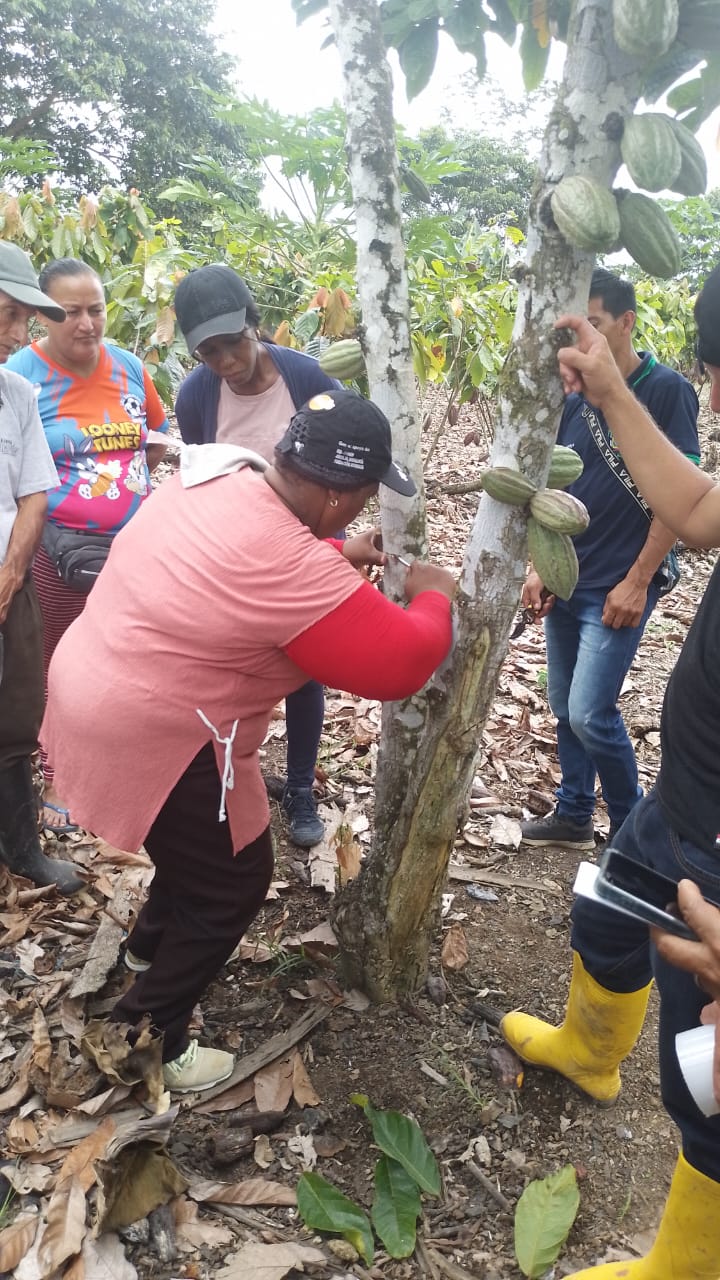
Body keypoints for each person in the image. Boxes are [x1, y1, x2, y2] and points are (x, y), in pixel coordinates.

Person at [42, 389, 456, 1092]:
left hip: (93, 678)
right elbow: (402, 663)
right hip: (157, 729)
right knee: (232, 882)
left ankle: (145, 951)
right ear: (337, 494)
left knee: (194, 852)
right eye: (362, 497)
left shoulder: (221, 479)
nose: (360, 510)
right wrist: (435, 594)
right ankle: (145, 1036)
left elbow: (250, 560)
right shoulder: (290, 564)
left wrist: (338, 550)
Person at [502, 264, 720, 1278]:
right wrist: (610, 388)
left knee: (706, 1074)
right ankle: (590, 1055)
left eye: (717, 375)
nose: (709, 393)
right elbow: (702, 507)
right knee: (601, 914)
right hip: (682, 802)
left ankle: (686, 1263)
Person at [520, 268, 700, 852]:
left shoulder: (666, 390)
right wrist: (542, 565)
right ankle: (574, 813)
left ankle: (629, 831)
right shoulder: (574, 391)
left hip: (620, 582)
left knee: (589, 713)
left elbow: (682, 497)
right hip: (571, 571)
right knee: (563, 704)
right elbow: (556, 483)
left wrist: (639, 580)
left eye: (593, 323)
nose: (584, 338)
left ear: (625, 323)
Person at [173, 264, 341, 849]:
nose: (225, 361)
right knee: (229, 671)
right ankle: (230, 777)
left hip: (304, 548)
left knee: (303, 671)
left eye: (233, 343)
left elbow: (342, 456)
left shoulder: (305, 378)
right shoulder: (196, 396)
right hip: (232, 555)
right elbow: (200, 474)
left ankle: (299, 788)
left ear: (254, 324)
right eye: (209, 352)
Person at [7, 258, 170, 833]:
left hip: (133, 548)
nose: (86, 323)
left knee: (128, 656)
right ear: (43, 316)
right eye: (69, 312)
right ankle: (59, 775)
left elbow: (153, 437)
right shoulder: (21, 375)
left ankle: (123, 766)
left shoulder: (128, 367)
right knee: (59, 663)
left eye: (95, 309)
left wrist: (128, 488)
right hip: (56, 549)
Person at [0, 242, 82, 894]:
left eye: (24, 319)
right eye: (8, 315)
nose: (17, 334)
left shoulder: (17, 394)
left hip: (12, 583)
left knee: (17, 716)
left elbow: (33, 493)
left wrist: (10, 576)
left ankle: (20, 846)